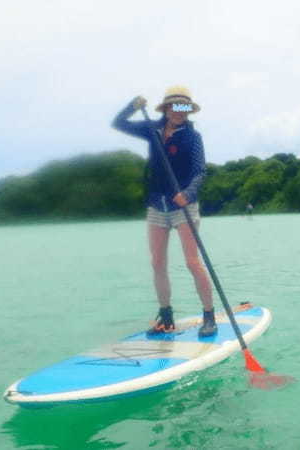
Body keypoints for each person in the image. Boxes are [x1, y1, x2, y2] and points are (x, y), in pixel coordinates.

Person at [112, 86, 216, 337]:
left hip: (184, 206)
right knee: (157, 262)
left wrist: (188, 194)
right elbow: (119, 123)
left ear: (188, 110)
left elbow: (200, 171)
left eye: (184, 107)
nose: (179, 111)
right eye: (174, 106)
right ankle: (166, 315)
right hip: (157, 205)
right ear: (166, 108)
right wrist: (132, 106)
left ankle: (209, 315)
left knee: (192, 262)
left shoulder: (193, 137)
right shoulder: (152, 130)